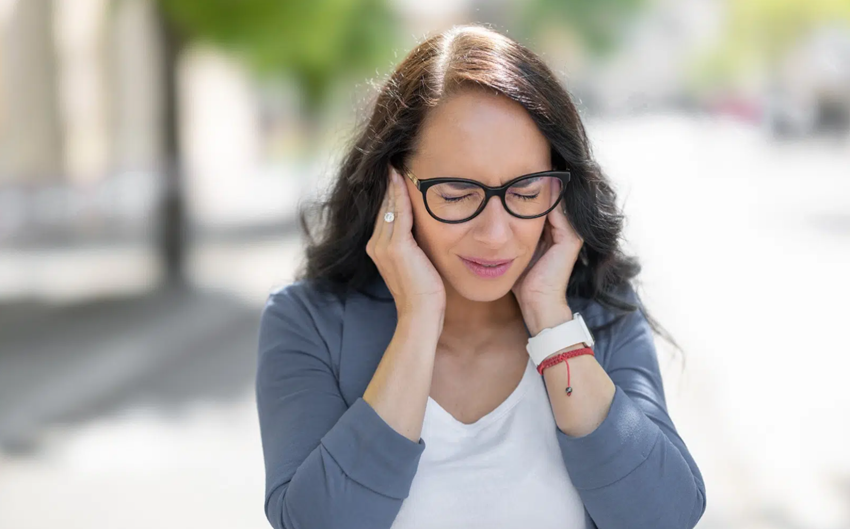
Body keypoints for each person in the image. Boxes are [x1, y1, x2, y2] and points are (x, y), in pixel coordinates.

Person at [255, 24, 706, 529]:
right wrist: (418, 320)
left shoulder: (601, 313)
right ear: (393, 187)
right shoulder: (307, 323)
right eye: (456, 194)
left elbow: (666, 516)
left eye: (527, 191)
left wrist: (551, 322)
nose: (496, 234)